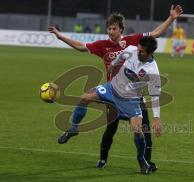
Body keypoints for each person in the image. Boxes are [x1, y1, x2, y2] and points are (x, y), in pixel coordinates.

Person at [48, 4, 183, 171]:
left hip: (133, 96)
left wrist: (171, 18)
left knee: (141, 131)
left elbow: (155, 34)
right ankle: (79, 134)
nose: (110, 31)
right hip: (112, 91)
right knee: (95, 111)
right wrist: (60, 37)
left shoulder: (134, 43)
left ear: (121, 29)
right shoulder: (103, 45)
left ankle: (145, 162)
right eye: (109, 28)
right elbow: (81, 47)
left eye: (113, 28)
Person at [62, 36, 161, 174]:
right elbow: (121, 56)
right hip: (112, 89)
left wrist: (156, 119)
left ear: (150, 53)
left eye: (142, 52)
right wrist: (113, 64)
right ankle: (73, 128)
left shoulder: (153, 71)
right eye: (139, 49)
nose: (138, 53)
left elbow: (155, 95)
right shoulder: (132, 50)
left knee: (138, 131)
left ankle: (141, 160)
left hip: (131, 100)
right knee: (84, 98)